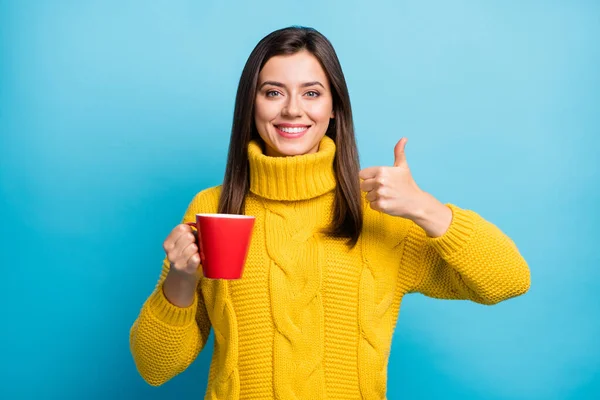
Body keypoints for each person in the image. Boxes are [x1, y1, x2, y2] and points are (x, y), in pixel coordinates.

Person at [129, 26, 531, 399]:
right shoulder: (213, 209)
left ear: (335, 105)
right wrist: (181, 278)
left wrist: (424, 207)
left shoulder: (378, 209)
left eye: (311, 93)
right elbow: (155, 367)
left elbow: (508, 280)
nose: (291, 111)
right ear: (250, 104)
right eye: (272, 92)